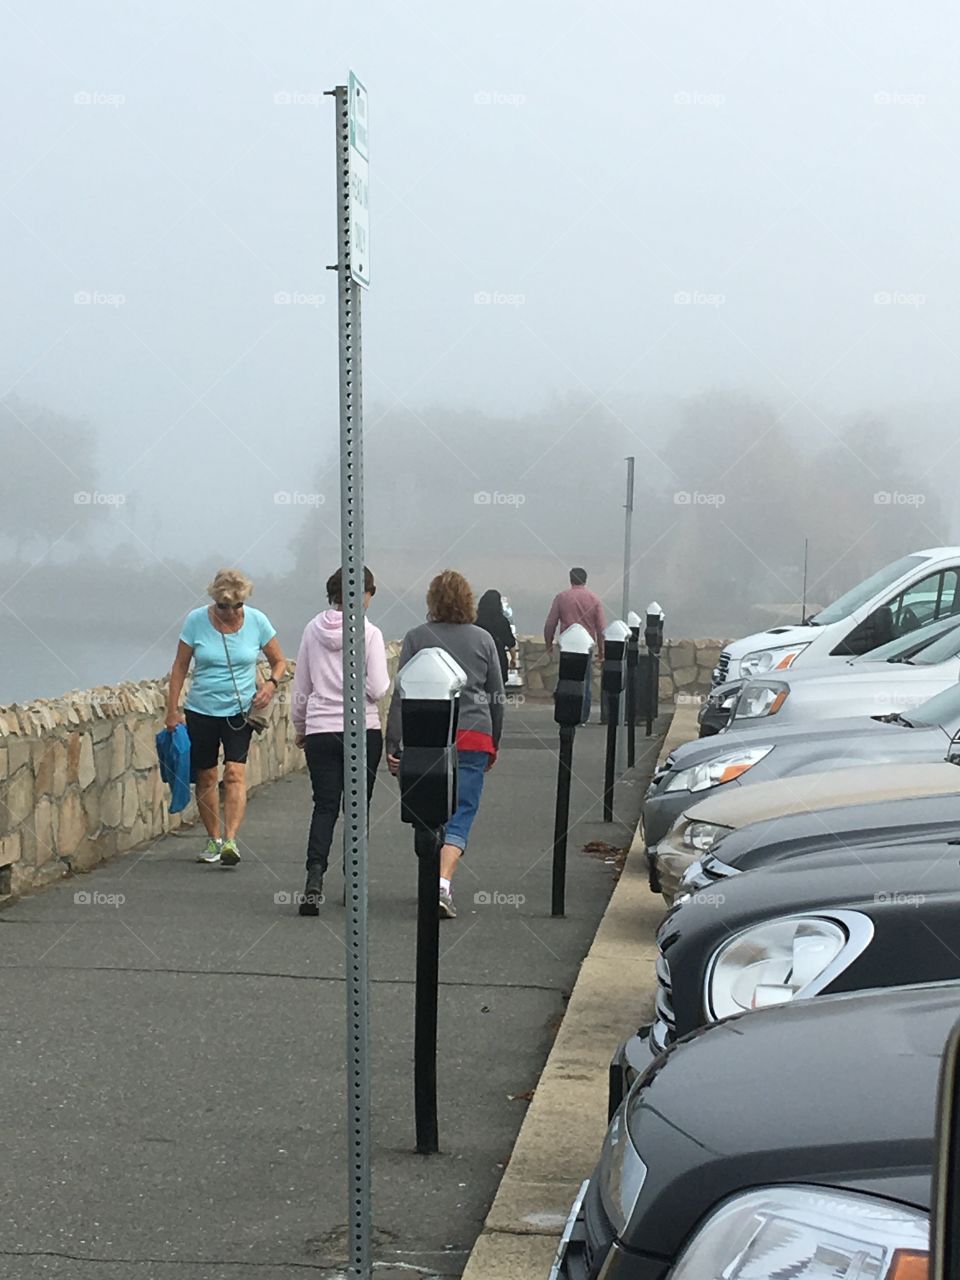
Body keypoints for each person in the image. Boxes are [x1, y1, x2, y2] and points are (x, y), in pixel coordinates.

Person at [385, 570, 504, 920]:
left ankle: (433, 879)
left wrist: (394, 743)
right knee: (462, 811)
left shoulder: (416, 638)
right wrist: (494, 741)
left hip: (428, 737)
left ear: (431, 601)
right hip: (474, 735)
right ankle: (442, 884)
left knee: (428, 809)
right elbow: (496, 696)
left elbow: (401, 695)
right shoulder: (483, 640)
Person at [165, 568, 286, 866]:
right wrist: (172, 710)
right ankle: (214, 839)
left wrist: (270, 685)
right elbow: (180, 667)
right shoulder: (196, 621)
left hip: (239, 711)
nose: (230, 613)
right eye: (223, 606)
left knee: (234, 773)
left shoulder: (258, 621)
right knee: (206, 775)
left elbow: (279, 661)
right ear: (214, 601)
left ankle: (231, 840)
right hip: (201, 710)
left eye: (236, 606)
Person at [290, 566, 390, 915]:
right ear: (363, 593)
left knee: (325, 806)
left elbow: (301, 686)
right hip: (362, 730)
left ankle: (314, 878)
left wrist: (301, 725)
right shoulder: (370, 633)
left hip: (320, 729)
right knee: (357, 810)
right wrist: (355, 686)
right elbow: (378, 687)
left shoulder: (311, 630)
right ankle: (354, 882)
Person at [543, 567, 606, 721]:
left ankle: (565, 713)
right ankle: (582, 716)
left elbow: (550, 623)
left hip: (567, 646)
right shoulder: (594, 599)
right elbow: (601, 627)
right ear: (585, 579)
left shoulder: (561, 597)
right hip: (586, 646)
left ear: (570, 579)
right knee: (585, 681)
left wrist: (549, 643)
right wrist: (602, 650)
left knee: (565, 680)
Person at [476, 588, 517, 683]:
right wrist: (513, 659)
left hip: (480, 660)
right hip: (499, 660)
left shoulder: (476, 620)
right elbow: (511, 643)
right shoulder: (502, 621)